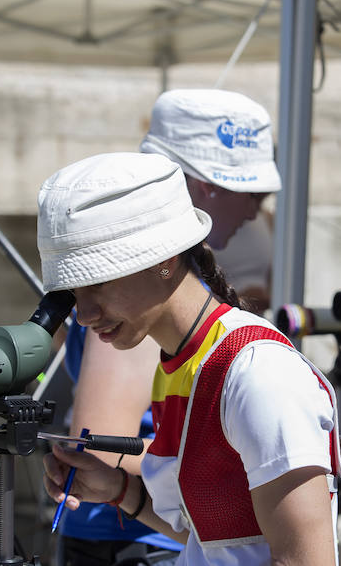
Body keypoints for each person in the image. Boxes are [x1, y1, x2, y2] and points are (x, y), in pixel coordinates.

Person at [38, 151, 341, 565]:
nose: (84, 314)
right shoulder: (180, 362)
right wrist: (118, 490)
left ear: (164, 259)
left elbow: (305, 561)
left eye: (98, 283)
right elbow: (213, 538)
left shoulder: (259, 373)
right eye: (74, 294)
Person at [53, 89, 283, 565]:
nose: (256, 210)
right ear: (204, 187)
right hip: (134, 540)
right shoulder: (150, 299)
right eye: (252, 192)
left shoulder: (156, 288)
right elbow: (97, 440)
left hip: (144, 526)